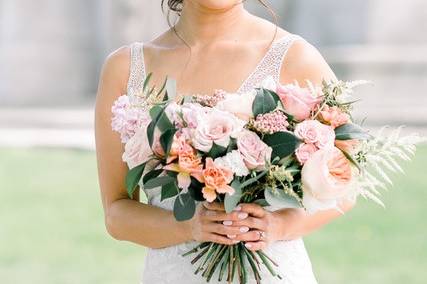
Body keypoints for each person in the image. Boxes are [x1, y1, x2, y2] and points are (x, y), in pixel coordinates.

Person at [95, 1, 354, 283]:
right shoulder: (125, 69)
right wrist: (187, 227)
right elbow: (117, 213)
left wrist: (279, 226)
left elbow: (347, 185)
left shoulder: (295, 57)